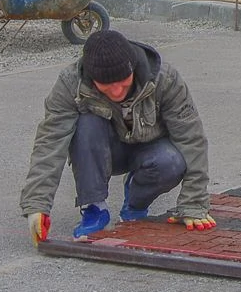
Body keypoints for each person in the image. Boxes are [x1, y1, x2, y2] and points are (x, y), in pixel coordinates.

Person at [20, 29, 216, 242]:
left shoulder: (164, 79)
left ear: (133, 67)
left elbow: (191, 138)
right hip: (102, 151)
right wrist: (37, 205)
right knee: (86, 122)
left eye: (123, 81)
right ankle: (94, 208)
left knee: (171, 162)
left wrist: (194, 204)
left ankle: (135, 204)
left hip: (151, 149)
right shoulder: (70, 84)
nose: (115, 92)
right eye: (105, 85)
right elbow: (50, 143)